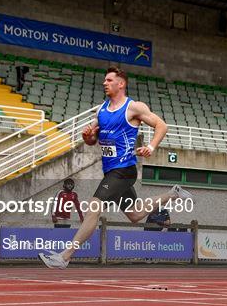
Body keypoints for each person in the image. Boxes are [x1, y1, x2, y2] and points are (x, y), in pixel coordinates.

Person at [39, 66, 192, 269]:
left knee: (94, 207)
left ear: (121, 84)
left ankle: (65, 256)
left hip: (125, 170)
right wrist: (88, 137)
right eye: (105, 80)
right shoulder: (101, 111)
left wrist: (150, 147)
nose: (105, 83)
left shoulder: (134, 107)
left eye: (109, 80)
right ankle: (173, 194)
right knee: (136, 215)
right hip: (110, 171)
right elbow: (92, 140)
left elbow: (162, 126)